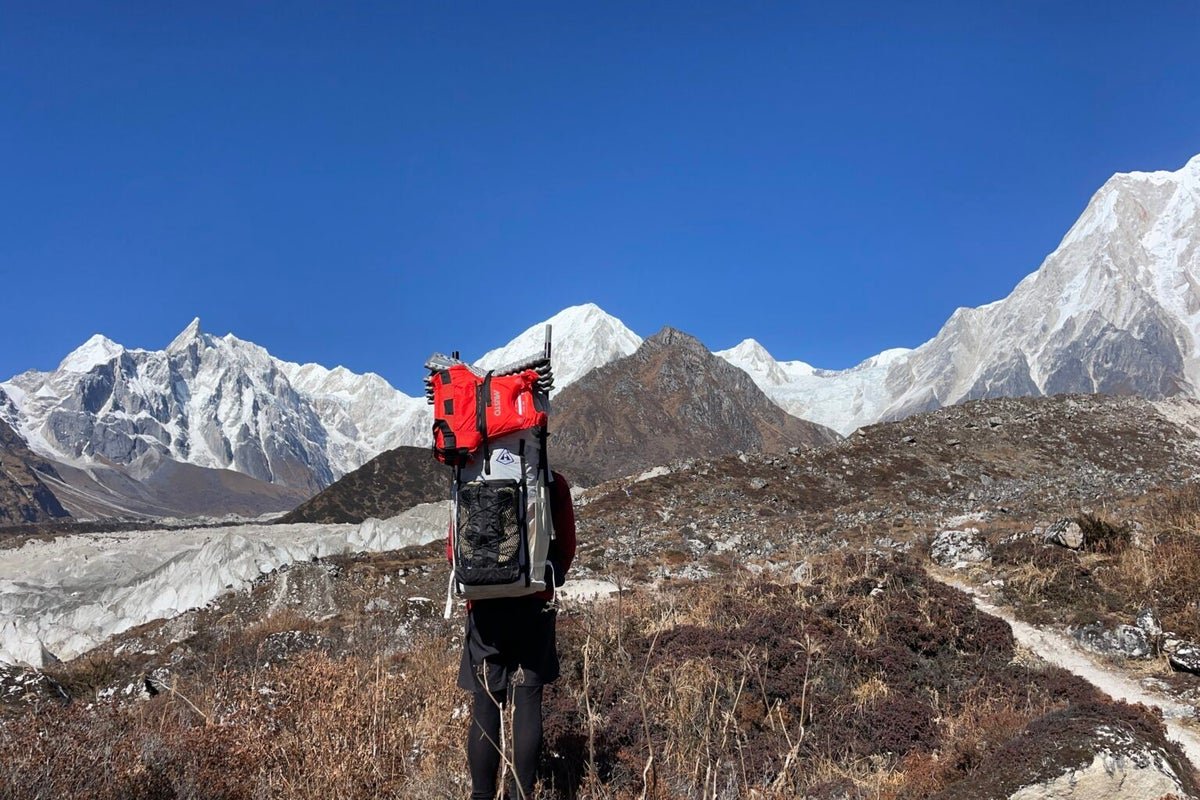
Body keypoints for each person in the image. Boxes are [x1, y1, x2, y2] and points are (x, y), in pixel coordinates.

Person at [450, 470, 577, 800]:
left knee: (485, 707)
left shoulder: (468, 475)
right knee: (528, 703)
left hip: (484, 608)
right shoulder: (551, 480)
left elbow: (454, 550)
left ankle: (481, 795)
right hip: (533, 602)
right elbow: (566, 546)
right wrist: (546, 575)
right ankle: (521, 794)